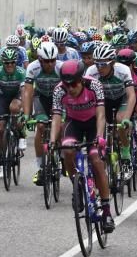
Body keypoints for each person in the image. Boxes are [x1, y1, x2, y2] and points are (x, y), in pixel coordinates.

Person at [49, 60, 115, 233]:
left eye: (73, 84)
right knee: (67, 150)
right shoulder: (59, 90)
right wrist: (51, 141)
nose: (70, 88)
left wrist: (100, 137)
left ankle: (107, 211)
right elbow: (56, 117)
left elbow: (101, 115)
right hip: (74, 123)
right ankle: (77, 185)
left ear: (81, 79)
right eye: (66, 84)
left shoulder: (94, 85)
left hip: (94, 123)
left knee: (96, 158)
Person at [22, 41, 61, 185]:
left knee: (61, 126)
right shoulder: (33, 67)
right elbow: (28, 91)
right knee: (40, 126)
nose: (50, 64)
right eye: (46, 61)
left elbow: (69, 91)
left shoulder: (61, 67)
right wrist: (26, 114)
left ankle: (62, 155)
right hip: (41, 98)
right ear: (40, 59)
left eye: (52, 61)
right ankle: (40, 166)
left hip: (59, 98)